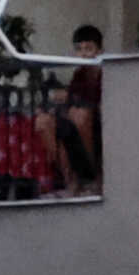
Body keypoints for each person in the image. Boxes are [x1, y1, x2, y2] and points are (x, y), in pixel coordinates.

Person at [33, 23, 103, 196]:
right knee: (43, 121)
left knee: (79, 115)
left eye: (89, 48)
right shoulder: (78, 75)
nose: (84, 54)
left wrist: (70, 100)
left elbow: (96, 103)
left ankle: (92, 180)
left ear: (99, 50)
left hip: (98, 127)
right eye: (79, 49)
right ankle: (70, 181)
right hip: (75, 126)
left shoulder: (106, 73)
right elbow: (72, 100)